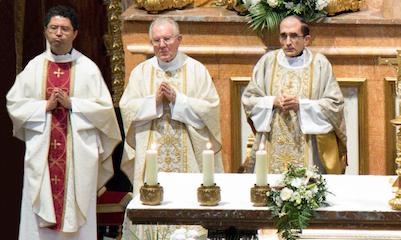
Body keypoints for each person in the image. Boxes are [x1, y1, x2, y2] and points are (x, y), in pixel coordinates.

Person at [6, 5, 121, 240]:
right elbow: (14, 104)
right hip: (42, 158)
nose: (58, 33)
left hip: (78, 159)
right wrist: (44, 107)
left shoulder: (88, 69)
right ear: (45, 32)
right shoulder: (34, 67)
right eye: (53, 28)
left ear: (75, 33)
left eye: (64, 29)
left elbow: (106, 113)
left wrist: (73, 104)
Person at [119, 17, 223, 239]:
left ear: (179, 40)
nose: (162, 45)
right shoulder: (141, 72)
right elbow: (126, 108)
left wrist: (179, 100)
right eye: (156, 40)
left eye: (167, 39)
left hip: (190, 160)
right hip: (151, 160)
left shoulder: (196, 70)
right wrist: (154, 101)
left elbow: (211, 109)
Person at [241, 15, 347, 174]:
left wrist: (302, 105)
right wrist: (272, 102)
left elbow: (335, 105)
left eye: (294, 36)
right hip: (272, 142)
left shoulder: (319, 64)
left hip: (310, 148)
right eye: (283, 36)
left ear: (307, 39)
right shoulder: (268, 61)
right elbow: (249, 100)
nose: (288, 42)